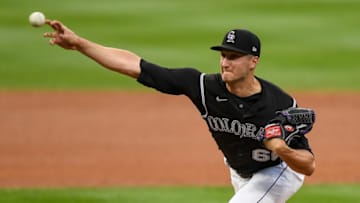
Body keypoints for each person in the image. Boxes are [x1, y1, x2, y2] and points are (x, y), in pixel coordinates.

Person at [43, 20, 315, 203]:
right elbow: (135, 66)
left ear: (253, 61)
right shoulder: (202, 85)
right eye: (223, 55)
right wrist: (80, 44)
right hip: (239, 171)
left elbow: (308, 165)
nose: (224, 62)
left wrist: (282, 149)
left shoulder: (279, 104)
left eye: (233, 56)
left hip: (277, 171)